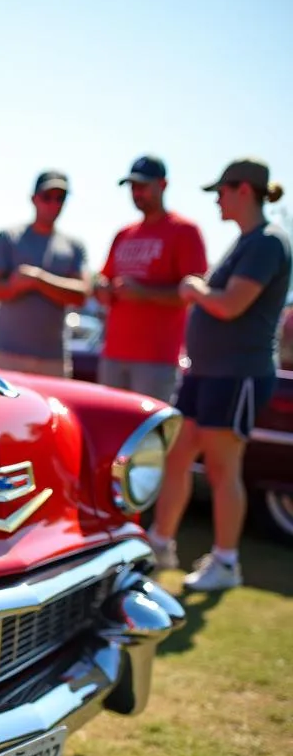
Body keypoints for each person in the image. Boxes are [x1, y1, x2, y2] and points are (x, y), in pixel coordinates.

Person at [147, 158, 290, 592]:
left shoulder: (268, 242)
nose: (216, 200)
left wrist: (195, 289)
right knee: (177, 457)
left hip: (236, 375)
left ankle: (226, 562)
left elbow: (230, 305)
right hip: (206, 375)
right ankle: (159, 546)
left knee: (223, 468)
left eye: (221, 192)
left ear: (244, 190)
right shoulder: (245, 241)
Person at [94, 156, 208, 402]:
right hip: (113, 354)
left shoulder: (184, 231)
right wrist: (102, 289)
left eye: (143, 186)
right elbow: (104, 281)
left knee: (148, 436)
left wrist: (143, 293)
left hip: (156, 360)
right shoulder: (124, 234)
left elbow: (193, 293)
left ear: (163, 185)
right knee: (113, 431)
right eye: (133, 187)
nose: (137, 193)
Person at [0, 170, 89, 377]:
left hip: (53, 359)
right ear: (34, 199)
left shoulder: (74, 246)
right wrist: (15, 285)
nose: (53, 204)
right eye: (47, 197)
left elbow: (82, 294)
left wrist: (38, 280)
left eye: (60, 198)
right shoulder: (9, 237)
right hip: (7, 356)